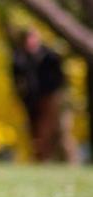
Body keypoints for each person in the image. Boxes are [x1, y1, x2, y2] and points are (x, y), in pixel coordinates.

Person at [11, 29, 78, 163]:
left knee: (59, 132)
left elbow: (59, 78)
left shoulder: (50, 56)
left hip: (51, 97)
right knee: (37, 133)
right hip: (32, 100)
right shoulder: (20, 58)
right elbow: (17, 80)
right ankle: (42, 160)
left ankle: (71, 161)